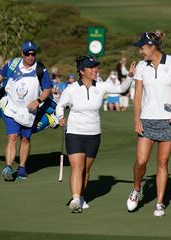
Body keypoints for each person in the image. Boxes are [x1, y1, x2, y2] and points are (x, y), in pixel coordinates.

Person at [56, 55, 135, 213]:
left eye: (96, 67)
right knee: (77, 167)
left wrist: (130, 77)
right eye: (91, 68)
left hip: (93, 134)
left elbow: (121, 89)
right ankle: (76, 198)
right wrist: (60, 118)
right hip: (74, 133)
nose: (95, 70)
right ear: (81, 71)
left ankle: (82, 196)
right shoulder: (71, 89)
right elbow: (60, 106)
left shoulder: (101, 86)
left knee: (86, 169)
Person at [126, 31, 171, 217]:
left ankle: (159, 203)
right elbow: (137, 96)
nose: (140, 52)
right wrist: (136, 119)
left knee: (162, 162)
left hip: (168, 120)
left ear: (152, 47)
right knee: (141, 161)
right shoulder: (141, 68)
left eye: (142, 48)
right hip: (147, 119)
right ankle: (137, 189)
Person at [0, 40, 52, 181]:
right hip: (11, 107)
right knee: (12, 137)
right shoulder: (12, 64)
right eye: (27, 54)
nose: (30, 57)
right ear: (22, 53)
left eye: (33, 54)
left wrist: (38, 101)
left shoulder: (41, 70)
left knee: (25, 139)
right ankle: (8, 167)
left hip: (29, 111)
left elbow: (47, 90)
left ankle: (22, 168)